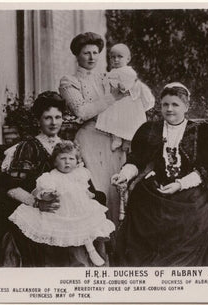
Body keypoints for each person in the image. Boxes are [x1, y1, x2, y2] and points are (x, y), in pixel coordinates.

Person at [111, 82, 208, 266]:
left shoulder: (202, 132)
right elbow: (136, 160)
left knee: (192, 213)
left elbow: (205, 168)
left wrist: (180, 184)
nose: (169, 109)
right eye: (165, 104)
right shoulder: (149, 129)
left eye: (175, 104)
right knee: (143, 204)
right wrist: (125, 175)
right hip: (156, 186)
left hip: (190, 187)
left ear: (186, 107)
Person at [0, 91, 108, 266]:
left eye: (58, 117)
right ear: (38, 120)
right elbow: (11, 187)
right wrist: (37, 203)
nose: (53, 122)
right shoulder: (28, 147)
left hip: (71, 208)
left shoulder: (67, 147)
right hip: (40, 208)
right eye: (48, 118)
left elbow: (80, 180)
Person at [8, 140, 115, 266]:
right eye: (63, 158)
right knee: (64, 231)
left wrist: (89, 195)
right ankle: (64, 258)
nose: (67, 162)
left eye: (71, 159)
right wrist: (48, 195)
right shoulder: (51, 176)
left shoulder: (79, 174)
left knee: (86, 226)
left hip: (80, 209)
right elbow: (40, 191)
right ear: (55, 161)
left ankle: (91, 250)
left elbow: (84, 189)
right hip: (61, 211)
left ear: (77, 162)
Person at [59, 32, 127, 224]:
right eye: (86, 53)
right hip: (90, 138)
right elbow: (82, 111)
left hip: (114, 140)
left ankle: (118, 244)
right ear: (77, 55)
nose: (91, 57)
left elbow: (125, 106)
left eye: (95, 53)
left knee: (118, 190)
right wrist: (112, 97)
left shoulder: (107, 78)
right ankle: (99, 243)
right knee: (98, 189)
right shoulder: (69, 81)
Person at [96, 43, 155, 151]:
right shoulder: (112, 72)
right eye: (113, 57)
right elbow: (107, 83)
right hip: (117, 101)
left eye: (120, 57)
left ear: (128, 59)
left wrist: (123, 86)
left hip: (127, 101)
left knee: (128, 122)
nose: (116, 60)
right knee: (114, 120)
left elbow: (131, 83)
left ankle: (128, 141)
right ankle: (116, 138)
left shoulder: (128, 71)